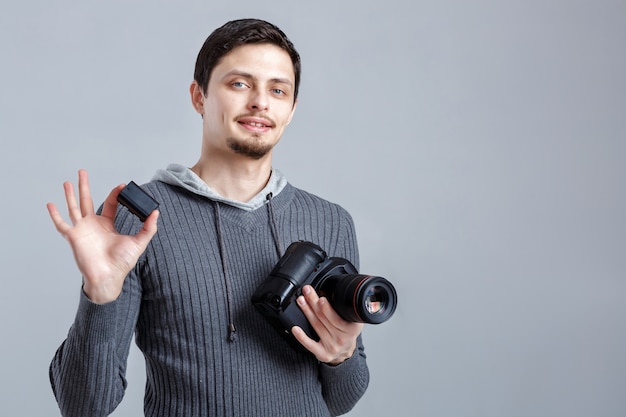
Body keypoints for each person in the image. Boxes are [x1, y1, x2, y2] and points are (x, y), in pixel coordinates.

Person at [47, 18, 369, 417]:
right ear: (198, 97)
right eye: (239, 84)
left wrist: (341, 356)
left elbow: (341, 399)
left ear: (291, 109)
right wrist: (99, 294)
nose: (260, 102)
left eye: (277, 90)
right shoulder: (138, 219)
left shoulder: (330, 220)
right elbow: (83, 406)